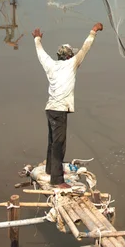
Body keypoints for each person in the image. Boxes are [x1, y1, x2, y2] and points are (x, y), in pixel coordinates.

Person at [33, 22, 104, 189]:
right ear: (70, 56)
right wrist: (93, 31)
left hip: (50, 109)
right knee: (59, 144)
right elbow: (86, 48)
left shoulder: (51, 65)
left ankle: (51, 169)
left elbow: (41, 54)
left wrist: (37, 39)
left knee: (52, 141)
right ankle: (57, 180)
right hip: (59, 110)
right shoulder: (72, 64)